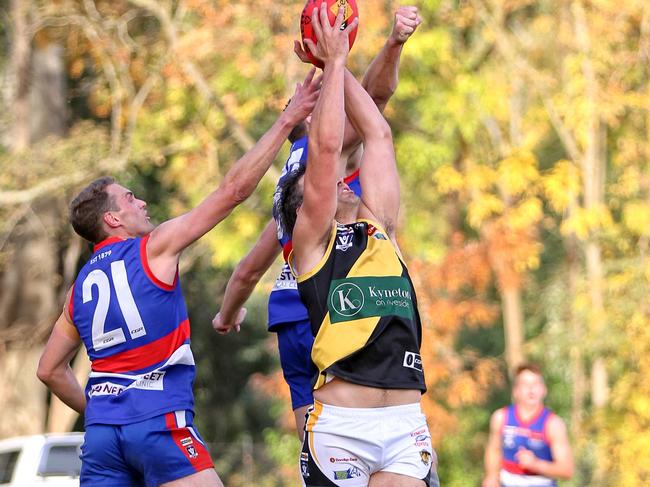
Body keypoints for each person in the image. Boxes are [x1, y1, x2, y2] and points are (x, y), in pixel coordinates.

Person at [35, 69, 320, 487]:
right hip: (158, 426)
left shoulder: (79, 291)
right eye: (130, 198)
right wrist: (285, 122)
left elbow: (49, 369)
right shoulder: (153, 248)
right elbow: (232, 192)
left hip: (101, 441)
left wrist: (99, 413)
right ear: (112, 219)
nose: (142, 201)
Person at [213, 5, 422, 440]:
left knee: (313, 431)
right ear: (312, 117)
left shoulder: (286, 194)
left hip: (289, 312)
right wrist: (386, 45)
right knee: (376, 410)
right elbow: (376, 104)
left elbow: (250, 268)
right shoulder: (323, 156)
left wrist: (226, 315)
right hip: (333, 301)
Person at [281, 5, 436, 485]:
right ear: (303, 209)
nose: (335, 185)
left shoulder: (378, 227)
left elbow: (378, 132)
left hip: (406, 422)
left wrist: (335, 61)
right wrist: (331, 65)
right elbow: (326, 150)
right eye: (317, 187)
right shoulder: (311, 249)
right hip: (342, 429)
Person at [482, 363, 574, 487]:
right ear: (515, 391)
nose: (531, 389)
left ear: (544, 390)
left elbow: (567, 470)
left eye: (536, 384)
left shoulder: (553, 424)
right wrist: (491, 477)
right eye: (525, 384)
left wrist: (536, 464)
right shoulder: (500, 417)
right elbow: (494, 449)